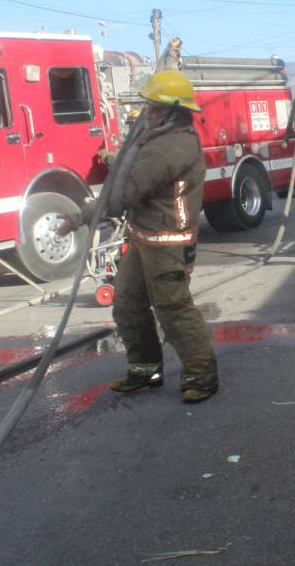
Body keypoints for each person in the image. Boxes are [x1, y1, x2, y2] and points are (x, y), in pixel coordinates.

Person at [58, 70, 219, 403]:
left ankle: (202, 376)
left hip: (166, 240)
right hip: (144, 235)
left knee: (173, 309)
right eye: (147, 104)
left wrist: (77, 218)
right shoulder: (157, 139)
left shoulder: (170, 147)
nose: (146, 110)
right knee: (128, 304)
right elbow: (135, 171)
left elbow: (129, 190)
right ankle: (146, 369)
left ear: (172, 111)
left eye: (154, 106)